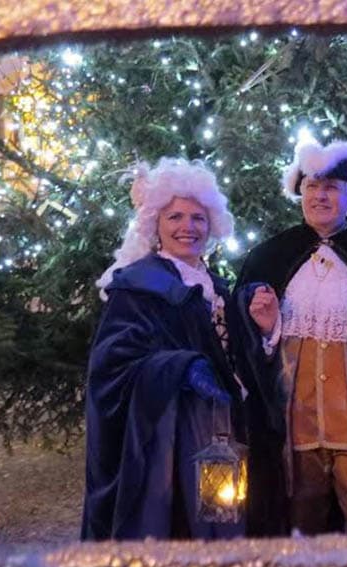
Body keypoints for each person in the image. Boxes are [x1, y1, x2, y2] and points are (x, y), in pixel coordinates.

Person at [81, 158, 269, 541]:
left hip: (223, 423)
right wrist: (180, 369)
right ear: (156, 226)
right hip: (170, 434)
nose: (188, 227)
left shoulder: (215, 284)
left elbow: (234, 349)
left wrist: (257, 323)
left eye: (198, 218)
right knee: (184, 524)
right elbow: (109, 367)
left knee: (227, 516)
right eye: (175, 217)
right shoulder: (137, 286)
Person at [235, 140, 347, 536]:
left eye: (331, 188)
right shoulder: (270, 255)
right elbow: (249, 345)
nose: (320, 196)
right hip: (296, 430)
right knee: (301, 532)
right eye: (312, 187)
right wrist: (265, 327)